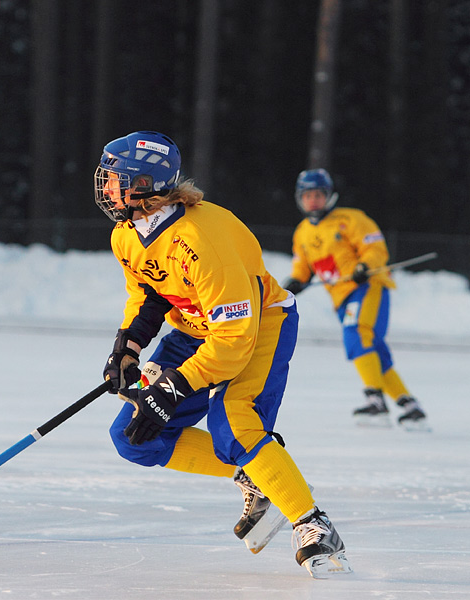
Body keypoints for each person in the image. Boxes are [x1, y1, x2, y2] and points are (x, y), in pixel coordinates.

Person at [96, 131, 351, 578]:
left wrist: (173, 387)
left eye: (114, 179)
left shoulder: (203, 239)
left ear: (144, 185)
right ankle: (259, 472)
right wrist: (128, 347)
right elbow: (149, 294)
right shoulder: (128, 233)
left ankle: (313, 524)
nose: (105, 187)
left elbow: (233, 339)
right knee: (134, 436)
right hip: (196, 329)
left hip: (258, 325)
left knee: (234, 423)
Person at [282, 169, 427, 429]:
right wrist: (296, 281)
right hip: (341, 298)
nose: (313, 200)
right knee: (372, 351)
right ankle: (409, 406)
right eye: (307, 195)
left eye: (318, 194)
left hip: (366, 288)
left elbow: (375, 249)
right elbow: (303, 268)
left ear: (329, 196)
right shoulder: (302, 233)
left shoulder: (350, 219)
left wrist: (364, 266)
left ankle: (375, 401)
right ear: (299, 198)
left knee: (356, 334)